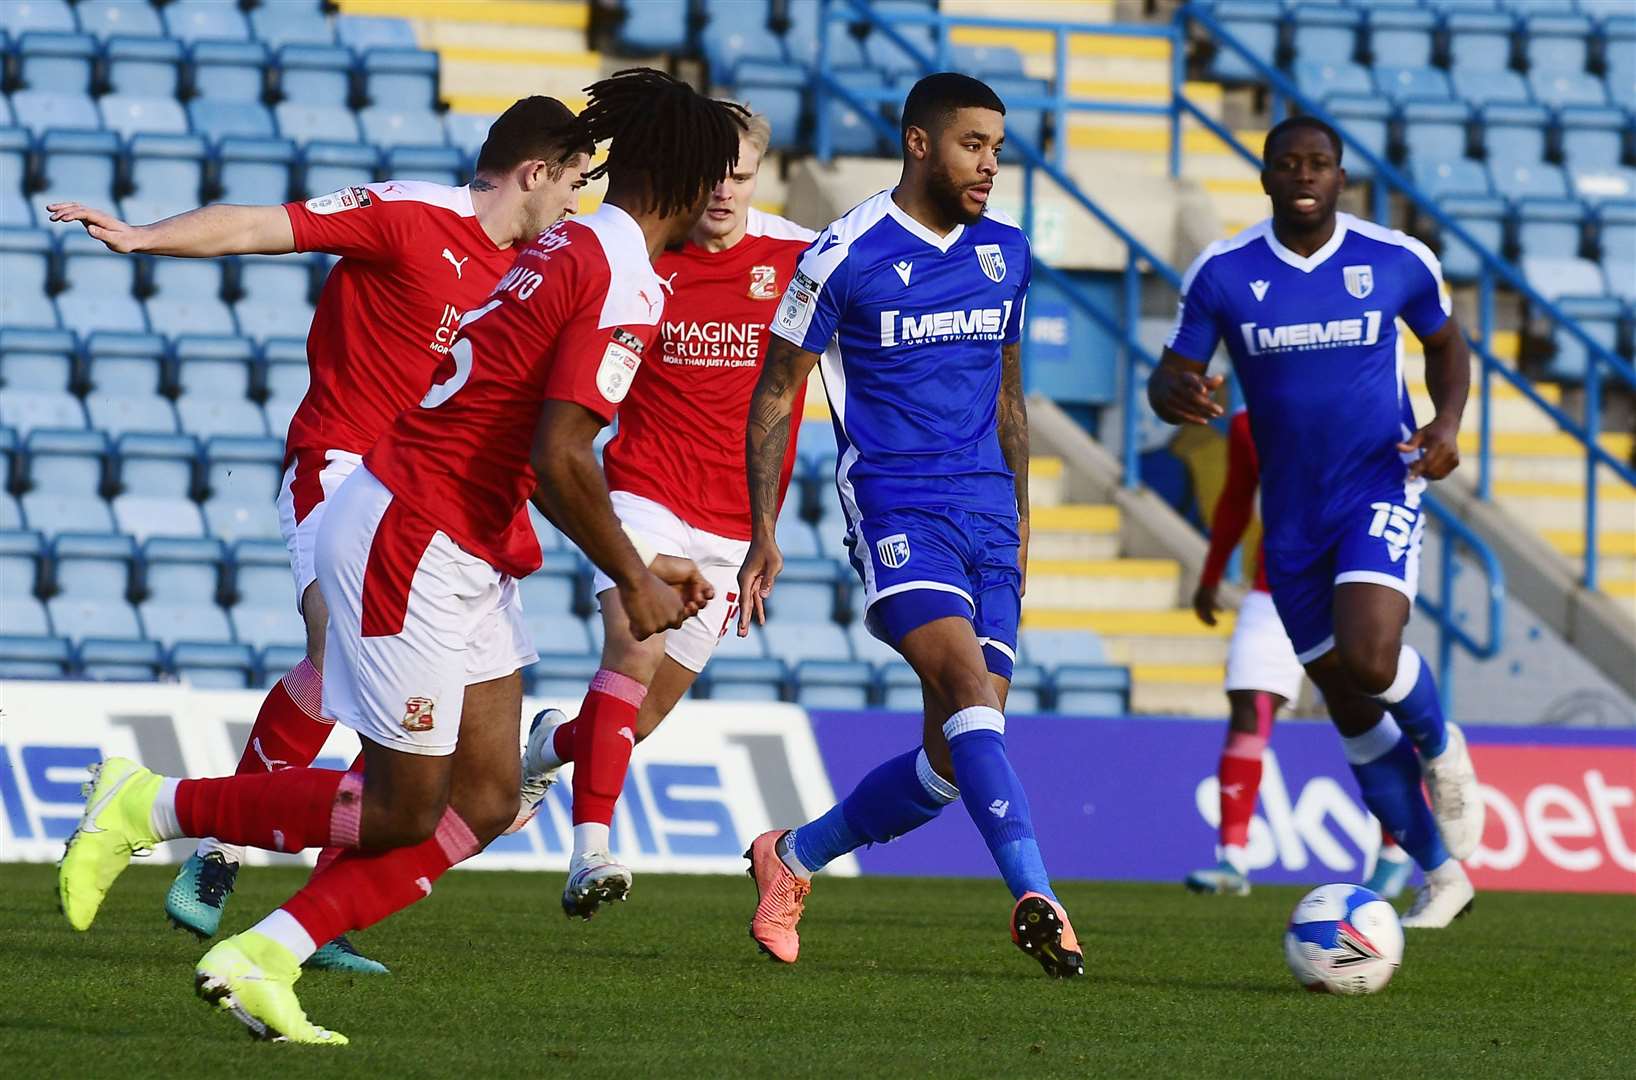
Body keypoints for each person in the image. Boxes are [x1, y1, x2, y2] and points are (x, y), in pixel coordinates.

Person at [56, 69, 747, 1044]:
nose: (725, 209)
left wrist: (632, 555)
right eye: (720, 182)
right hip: (416, 532)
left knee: (491, 794)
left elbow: (534, 442)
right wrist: (633, 576)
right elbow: (559, 455)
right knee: (399, 811)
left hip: (460, 537)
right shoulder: (619, 272)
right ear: (687, 179)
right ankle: (150, 805)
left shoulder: (564, 243)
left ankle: (267, 952)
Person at [47, 96, 592, 972]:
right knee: (343, 646)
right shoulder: (413, 215)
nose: (579, 201)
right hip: (344, 471)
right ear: (536, 171)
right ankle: (215, 847)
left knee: (436, 752)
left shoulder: (540, 269)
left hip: (447, 512)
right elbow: (268, 223)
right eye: (574, 180)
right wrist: (146, 236)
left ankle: (310, 914)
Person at [734, 72, 1083, 979]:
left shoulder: (1006, 249)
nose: (990, 165)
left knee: (948, 762)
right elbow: (776, 392)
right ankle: (1036, 894)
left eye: (999, 149)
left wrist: (1025, 521)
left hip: (988, 516)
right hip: (898, 507)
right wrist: (762, 531)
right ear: (920, 143)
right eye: (974, 145)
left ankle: (794, 856)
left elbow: (1009, 395)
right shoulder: (841, 252)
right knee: (970, 693)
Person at [1149, 116, 1484, 929]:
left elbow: (1447, 345)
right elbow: (1170, 379)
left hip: (1379, 482)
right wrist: (1180, 395)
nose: (1305, 175)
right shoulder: (1224, 273)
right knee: (1348, 707)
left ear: (1342, 178)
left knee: (1371, 660)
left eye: (1320, 164)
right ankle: (1443, 878)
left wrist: (1445, 426)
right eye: (1288, 164)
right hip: (1289, 518)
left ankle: (1442, 750)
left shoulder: (1396, 259)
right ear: (1265, 178)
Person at [515, 109, 817, 919]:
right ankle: (591, 853)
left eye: (742, 177)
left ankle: (547, 744)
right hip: (642, 490)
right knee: (632, 642)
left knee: (635, 719)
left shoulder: (801, 258)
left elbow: (816, 390)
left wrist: (765, 533)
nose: (724, 193)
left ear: (764, 176)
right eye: (712, 176)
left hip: (730, 524)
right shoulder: (646, 251)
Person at [1185, 409, 1412, 899]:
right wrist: (1211, 575)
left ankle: (1395, 850)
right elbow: (1237, 500)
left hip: (1351, 589)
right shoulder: (1250, 423)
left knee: (1367, 714)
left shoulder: (1363, 409)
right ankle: (1232, 861)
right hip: (1275, 588)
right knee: (1249, 705)